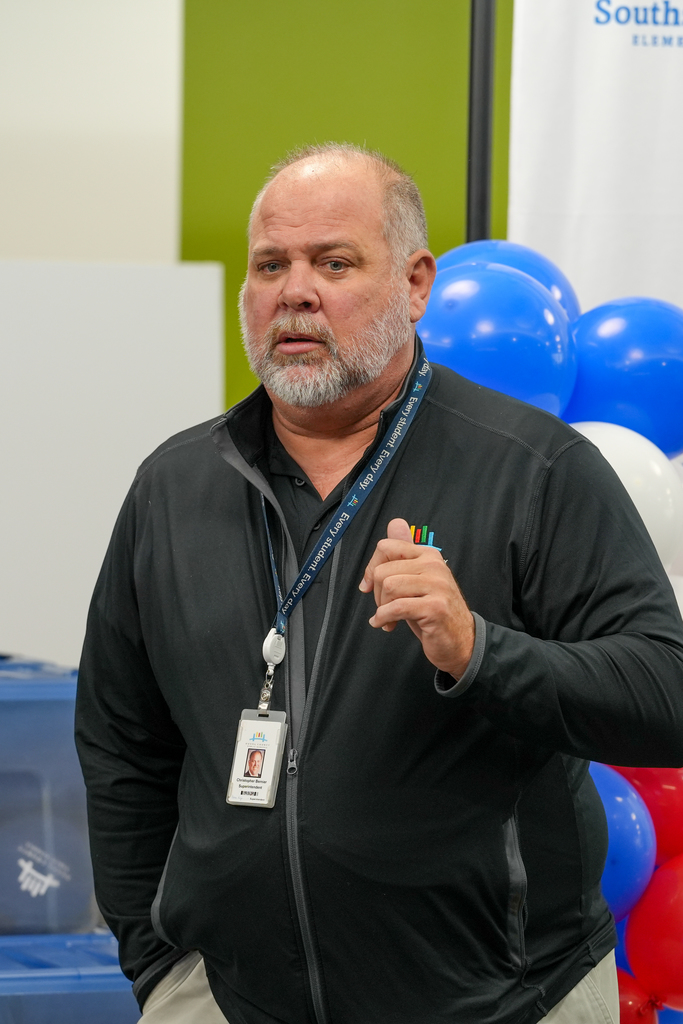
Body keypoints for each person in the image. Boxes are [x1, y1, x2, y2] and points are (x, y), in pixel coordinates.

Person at [75, 142, 683, 1024]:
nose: (294, 290)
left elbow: (664, 695)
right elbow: (121, 741)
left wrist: (482, 652)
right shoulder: (172, 488)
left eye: (333, 262)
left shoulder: (535, 469)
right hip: (231, 999)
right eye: (270, 264)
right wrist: (160, 964)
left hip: (507, 1003)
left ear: (415, 283)